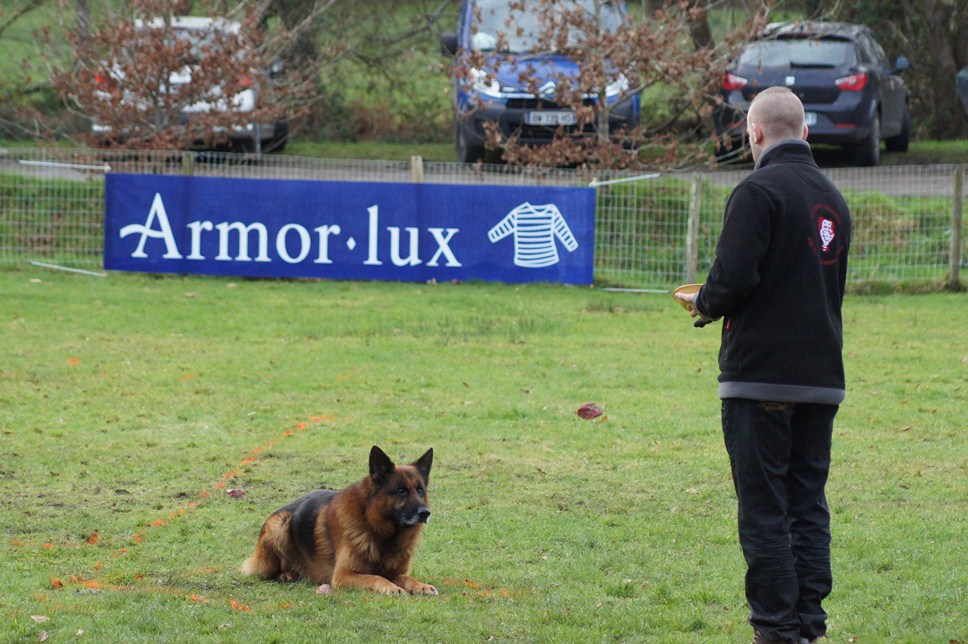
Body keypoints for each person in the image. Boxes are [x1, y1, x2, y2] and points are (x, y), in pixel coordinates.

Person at [676, 86, 851, 644]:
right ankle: (809, 626)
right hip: (821, 380)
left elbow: (733, 280)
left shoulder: (757, 191)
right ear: (804, 132)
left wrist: (703, 304)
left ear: (753, 134)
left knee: (765, 511)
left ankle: (776, 630)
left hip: (760, 379)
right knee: (807, 505)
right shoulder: (833, 198)